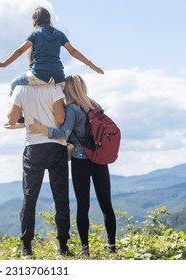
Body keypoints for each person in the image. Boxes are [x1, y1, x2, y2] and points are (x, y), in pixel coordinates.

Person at [29, 74, 117, 258]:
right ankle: (112, 247)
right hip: (100, 161)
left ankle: (85, 249)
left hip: (80, 161)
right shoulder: (94, 104)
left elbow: (63, 133)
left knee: (82, 206)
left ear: (67, 89)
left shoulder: (72, 109)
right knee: (106, 204)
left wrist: (42, 129)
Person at [0, 6, 104, 128]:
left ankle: (20, 117)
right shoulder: (59, 34)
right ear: (49, 19)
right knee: (66, 98)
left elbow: (19, 51)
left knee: (14, 83)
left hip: (38, 74)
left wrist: (4, 64)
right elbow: (73, 51)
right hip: (58, 77)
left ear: (35, 20)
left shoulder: (35, 34)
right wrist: (92, 66)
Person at [7, 83, 72, 259]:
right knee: (61, 197)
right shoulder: (54, 88)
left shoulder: (20, 88)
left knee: (29, 197)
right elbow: (60, 120)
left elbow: (11, 119)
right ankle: (63, 247)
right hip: (56, 147)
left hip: (33, 148)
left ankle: (27, 248)